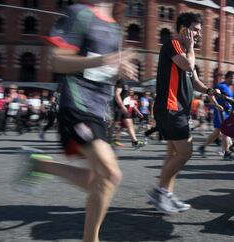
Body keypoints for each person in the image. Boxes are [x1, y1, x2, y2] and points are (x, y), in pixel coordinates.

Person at [14, 2, 138, 242]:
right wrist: (104, 60)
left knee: (95, 181)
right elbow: (57, 61)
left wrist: (118, 70)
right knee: (110, 174)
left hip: (100, 111)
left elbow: (102, 70)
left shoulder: (115, 26)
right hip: (77, 104)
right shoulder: (78, 13)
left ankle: (40, 165)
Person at [146, 12, 221, 213]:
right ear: (183, 29)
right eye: (195, 30)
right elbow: (188, 65)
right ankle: (159, 193)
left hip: (178, 110)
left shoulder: (186, 51)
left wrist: (209, 90)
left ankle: (166, 196)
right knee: (185, 152)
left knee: (173, 154)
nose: (198, 34)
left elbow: (194, 80)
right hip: (171, 108)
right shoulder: (173, 45)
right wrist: (190, 47)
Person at [199, 71, 234, 160]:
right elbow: (210, 94)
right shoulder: (220, 86)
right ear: (227, 77)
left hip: (225, 113)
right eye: (233, 78)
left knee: (217, 133)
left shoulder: (229, 88)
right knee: (225, 131)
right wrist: (216, 104)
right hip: (220, 112)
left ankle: (202, 147)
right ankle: (227, 153)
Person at [113, 81, 146, 148]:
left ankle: (135, 142)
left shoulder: (126, 83)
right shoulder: (120, 82)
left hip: (125, 107)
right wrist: (122, 106)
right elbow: (117, 94)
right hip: (119, 107)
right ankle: (112, 141)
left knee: (129, 124)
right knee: (116, 125)